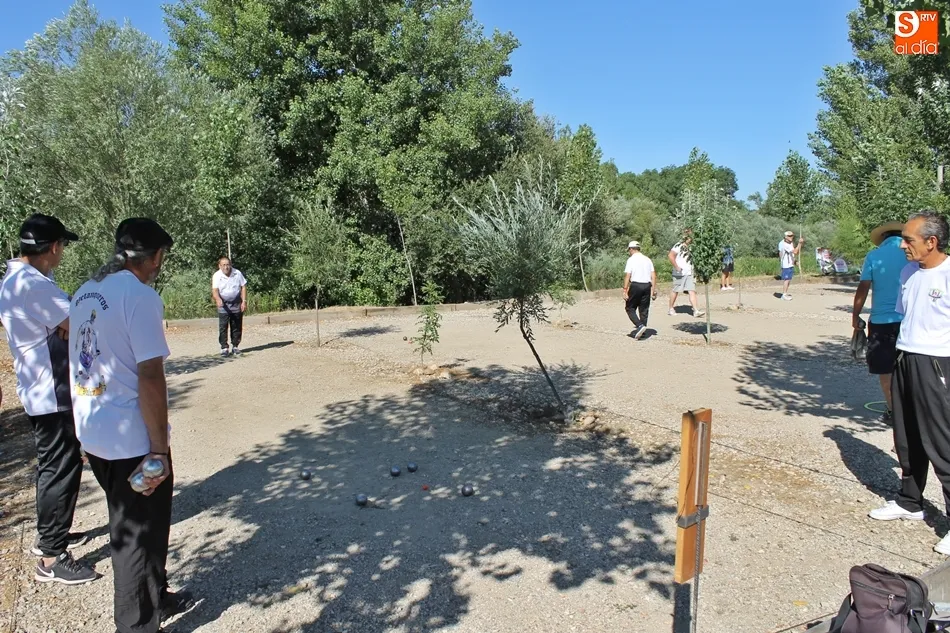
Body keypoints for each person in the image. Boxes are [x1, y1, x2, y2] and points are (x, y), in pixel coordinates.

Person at [70, 218, 192, 632]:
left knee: (148, 527)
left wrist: (81, 432)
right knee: (135, 540)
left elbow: (79, 365)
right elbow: (150, 375)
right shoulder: (139, 297)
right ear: (154, 258)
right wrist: (159, 448)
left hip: (96, 432)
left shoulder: (86, 291)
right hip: (132, 443)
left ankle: (156, 598)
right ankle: (136, 625)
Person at [0, 214, 96, 585]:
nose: (62, 253)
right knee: (62, 467)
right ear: (53, 247)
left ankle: (49, 537)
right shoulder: (34, 286)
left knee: (52, 465)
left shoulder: (18, 279)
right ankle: (52, 557)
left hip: (38, 386)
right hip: (50, 389)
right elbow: (81, 322)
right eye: (62, 246)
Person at [867, 211, 950, 557]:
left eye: (909, 240)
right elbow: (906, 312)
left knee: (942, 441)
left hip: (937, 363)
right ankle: (910, 500)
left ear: (931, 242)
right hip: (905, 356)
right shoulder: (908, 272)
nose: (902, 246)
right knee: (906, 435)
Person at [851, 221, 905, 422]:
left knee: (886, 369)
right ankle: (911, 411)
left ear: (882, 238)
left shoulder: (874, 256)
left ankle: (893, 411)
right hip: (908, 320)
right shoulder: (913, 254)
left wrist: (856, 316)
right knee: (908, 368)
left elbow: (863, 287)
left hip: (882, 321)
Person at [211, 257, 247, 357]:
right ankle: (224, 348)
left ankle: (235, 346)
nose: (226, 267)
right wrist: (218, 299)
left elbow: (243, 286)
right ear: (219, 266)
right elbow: (215, 290)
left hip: (236, 302)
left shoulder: (237, 273)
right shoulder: (217, 275)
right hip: (223, 303)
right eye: (224, 265)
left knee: (236, 325)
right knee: (223, 326)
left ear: (230, 264)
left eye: (228, 264)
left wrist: (244, 301)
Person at [622, 241, 657, 340]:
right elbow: (653, 275)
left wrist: (625, 290)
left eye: (629, 250)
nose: (629, 252)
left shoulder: (631, 260)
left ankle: (640, 326)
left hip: (636, 285)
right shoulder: (647, 259)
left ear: (631, 249)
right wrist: (653, 290)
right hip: (647, 286)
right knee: (644, 309)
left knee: (630, 307)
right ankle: (643, 332)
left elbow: (628, 275)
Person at [667, 233, 705, 318]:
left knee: (692, 290)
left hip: (689, 272)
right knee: (676, 290)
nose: (691, 239)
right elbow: (670, 255)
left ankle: (696, 310)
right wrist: (676, 267)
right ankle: (671, 308)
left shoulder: (692, 247)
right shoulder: (678, 245)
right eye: (689, 237)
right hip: (679, 272)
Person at [778, 230, 805, 300]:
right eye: (789, 236)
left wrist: (795, 261)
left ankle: (785, 293)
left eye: (792, 235)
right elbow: (795, 251)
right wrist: (799, 243)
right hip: (786, 265)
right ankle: (783, 295)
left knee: (789, 279)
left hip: (790, 264)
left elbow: (792, 254)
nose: (791, 237)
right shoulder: (785, 245)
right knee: (786, 280)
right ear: (786, 237)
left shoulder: (790, 243)